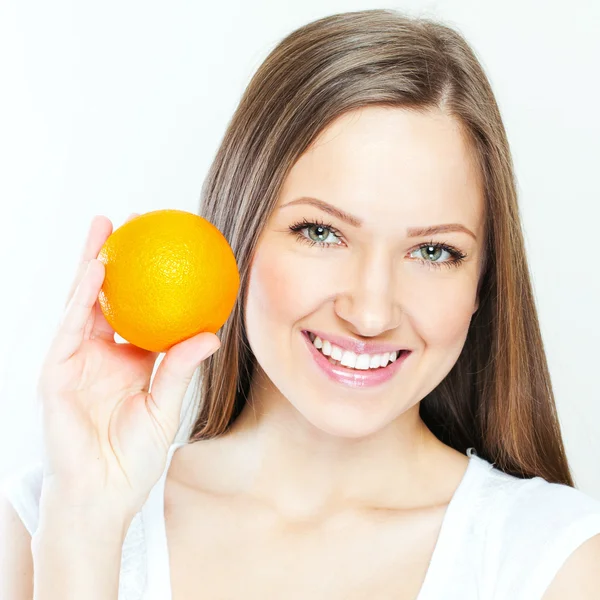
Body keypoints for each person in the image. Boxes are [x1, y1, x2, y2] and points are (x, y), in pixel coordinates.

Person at [1, 8, 599, 600]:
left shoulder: (554, 563)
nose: (370, 313)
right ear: (238, 236)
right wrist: (84, 528)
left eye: (435, 251)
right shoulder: (44, 525)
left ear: (482, 284)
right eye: (321, 233)